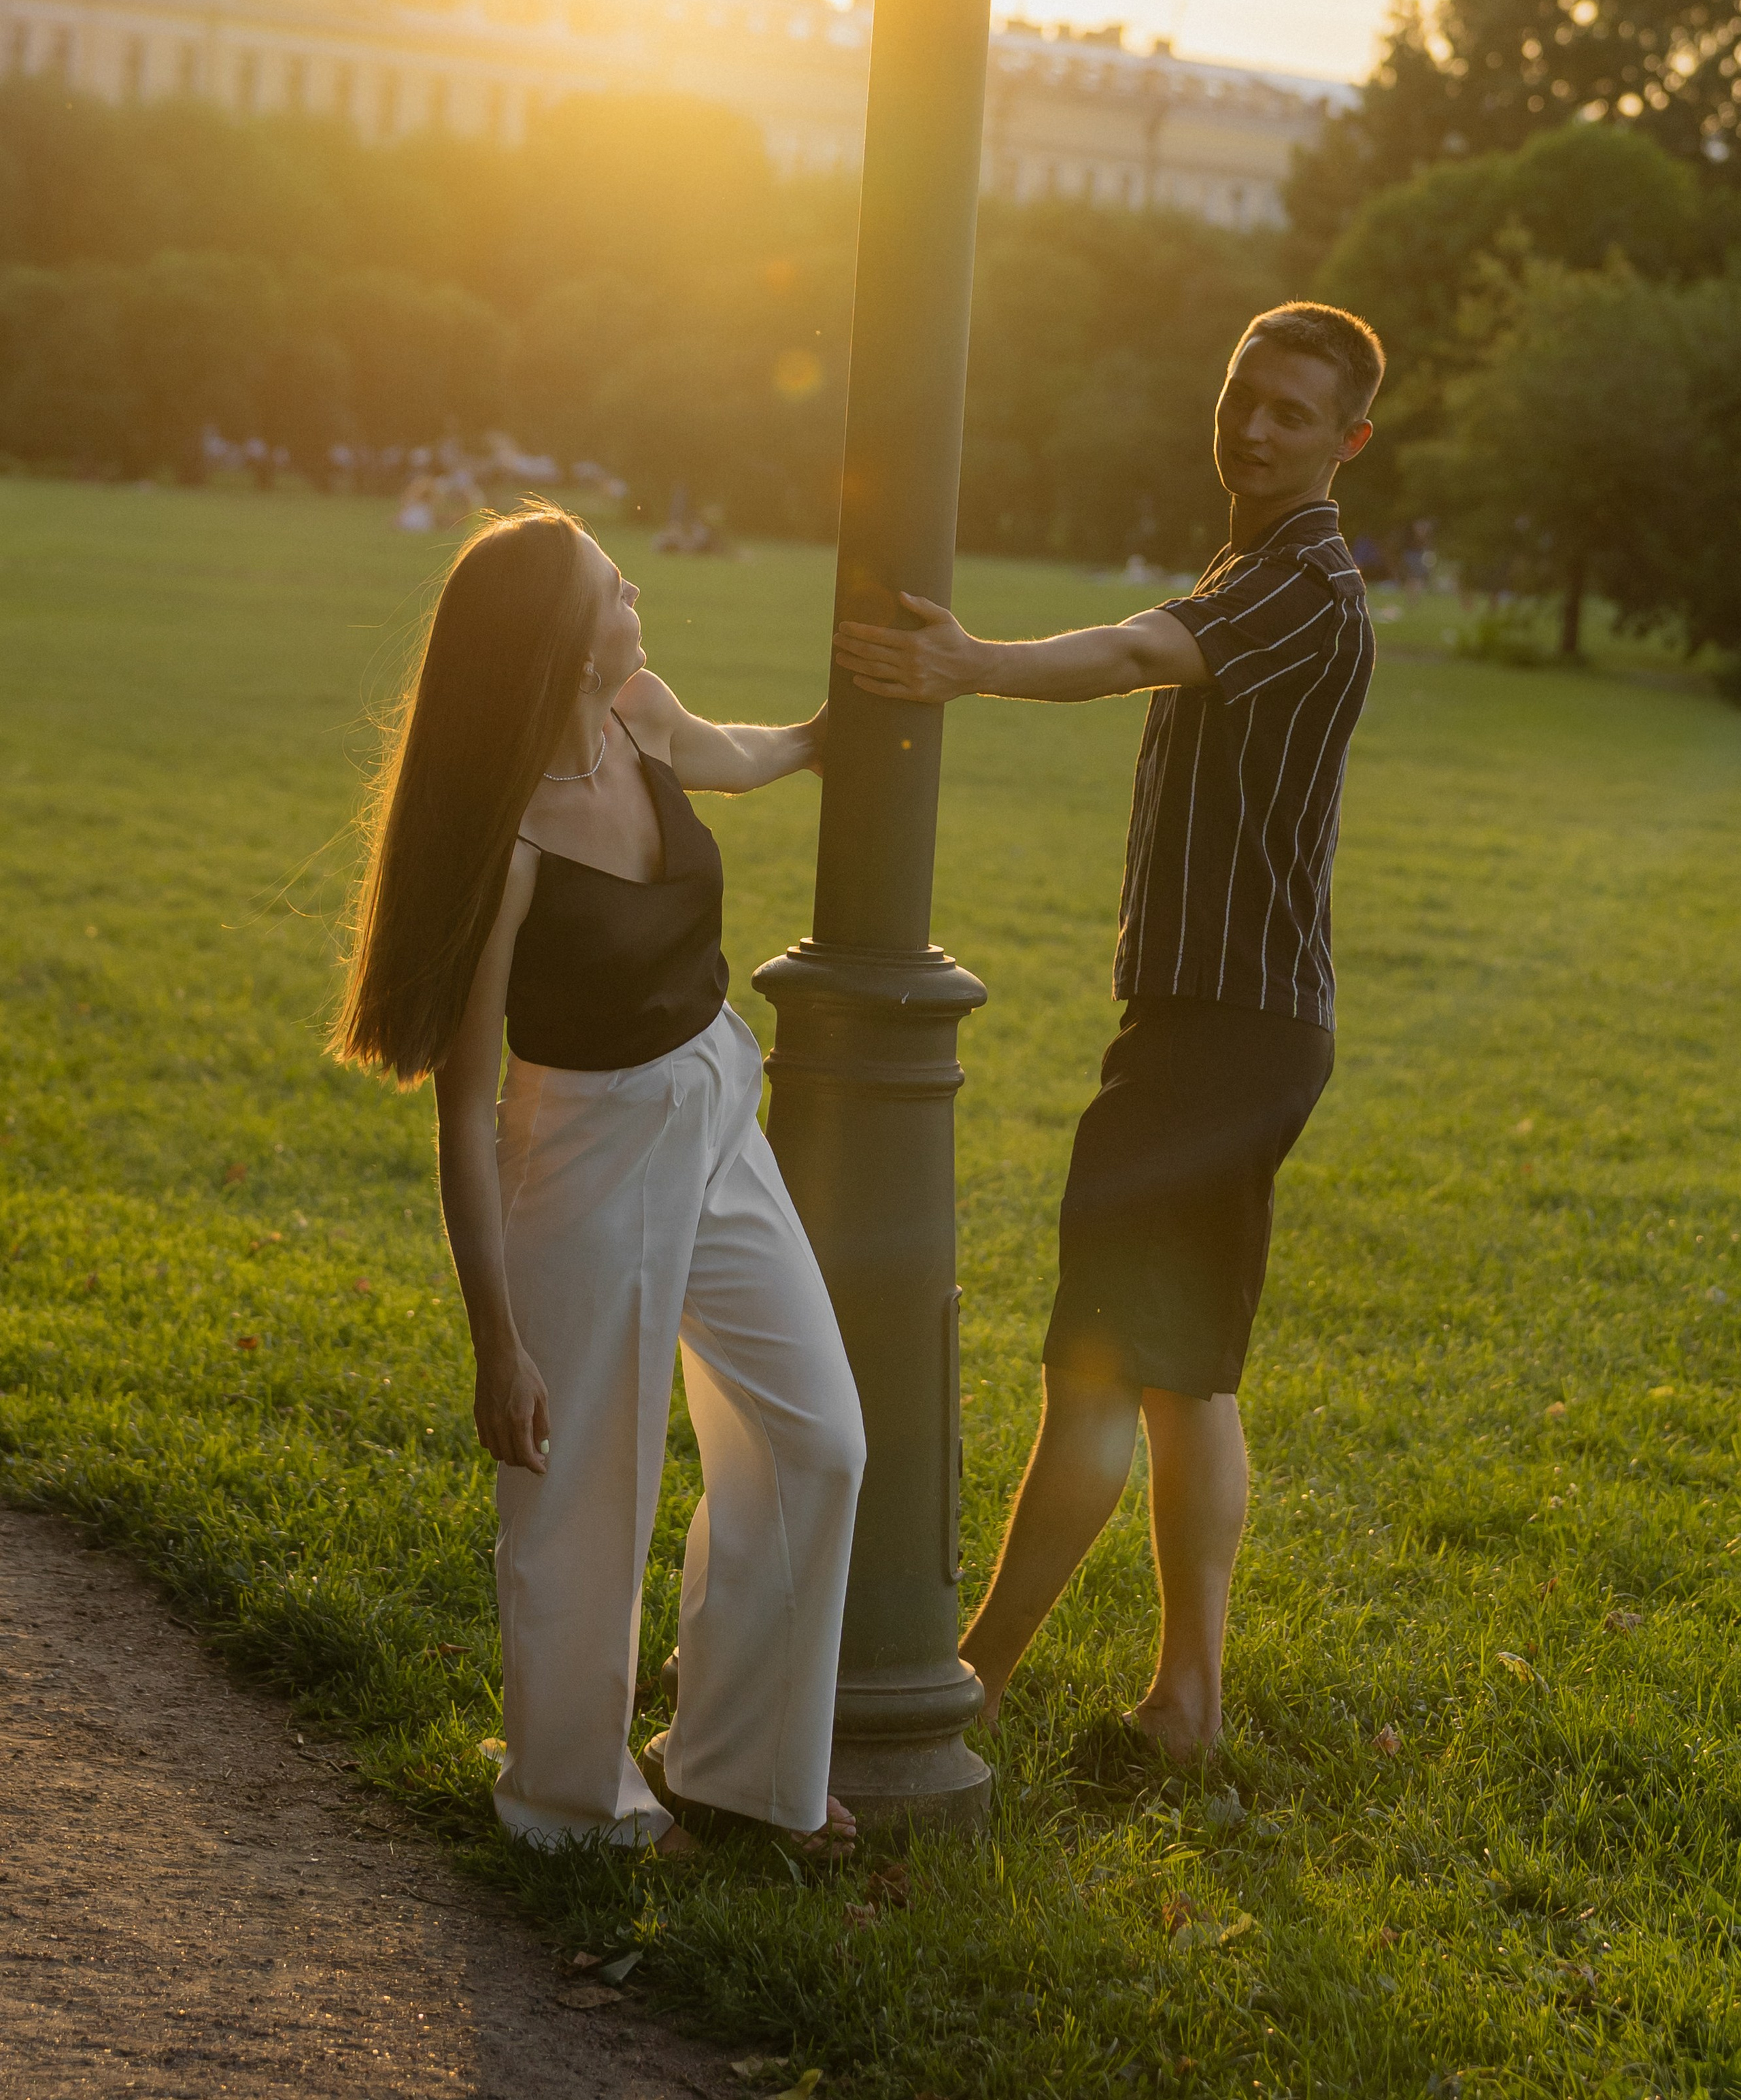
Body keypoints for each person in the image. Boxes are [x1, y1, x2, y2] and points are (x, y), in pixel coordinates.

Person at [832, 302, 1383, 1761]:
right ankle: (1182, 1706)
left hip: (1215, 1040)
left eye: (1289, 412)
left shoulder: (1300, 583)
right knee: (1184, 1375)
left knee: (1096, 1369)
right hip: (1241, 1029)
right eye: (1240, 398)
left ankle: (968, 1683)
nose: (1253, 427)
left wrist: (972, 665)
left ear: (1348, 440)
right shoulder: (1262, 565)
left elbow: (1143, 648)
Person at [333, 501, 865, 1855]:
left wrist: (822, 739)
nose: (637, 589)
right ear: (559, 642)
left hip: (715, 1108)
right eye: (610, 584)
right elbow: (465, 1113)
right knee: (579, 1503)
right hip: (583, 1158)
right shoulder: (505, 843)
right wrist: (494, 1343)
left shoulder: (636, 712)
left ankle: (739, 1767)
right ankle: (573, 1804)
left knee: (817, 1439)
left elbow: (726, 755)